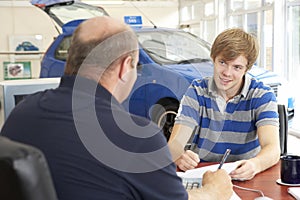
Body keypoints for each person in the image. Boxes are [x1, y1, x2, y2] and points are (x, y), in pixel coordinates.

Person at [1, 16, 233, 200]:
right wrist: (215, 190)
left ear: (72, 57)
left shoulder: (20, 114)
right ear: (125, 67)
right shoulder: (137, 139)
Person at [168, 28, 281, 180]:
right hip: (203, 174)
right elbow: (174, 144)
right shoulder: (197, 91)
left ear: (247, 69)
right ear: (213, 59)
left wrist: (256, 165)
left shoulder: (262, 95)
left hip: (245, 176)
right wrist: (179, 155)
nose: (227, 73)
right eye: (222, 62)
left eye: (237, 67)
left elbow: (272, 148)